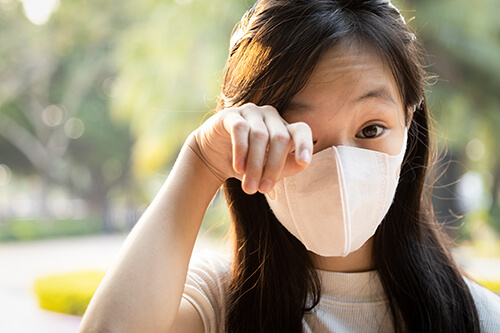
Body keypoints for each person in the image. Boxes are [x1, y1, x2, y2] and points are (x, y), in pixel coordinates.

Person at [79, 0, 500, 332]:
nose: (340, 166)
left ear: (408, 123)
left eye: (371, 129)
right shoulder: (216, 304)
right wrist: (202, 161)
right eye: (301, 134)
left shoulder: (478, 317)